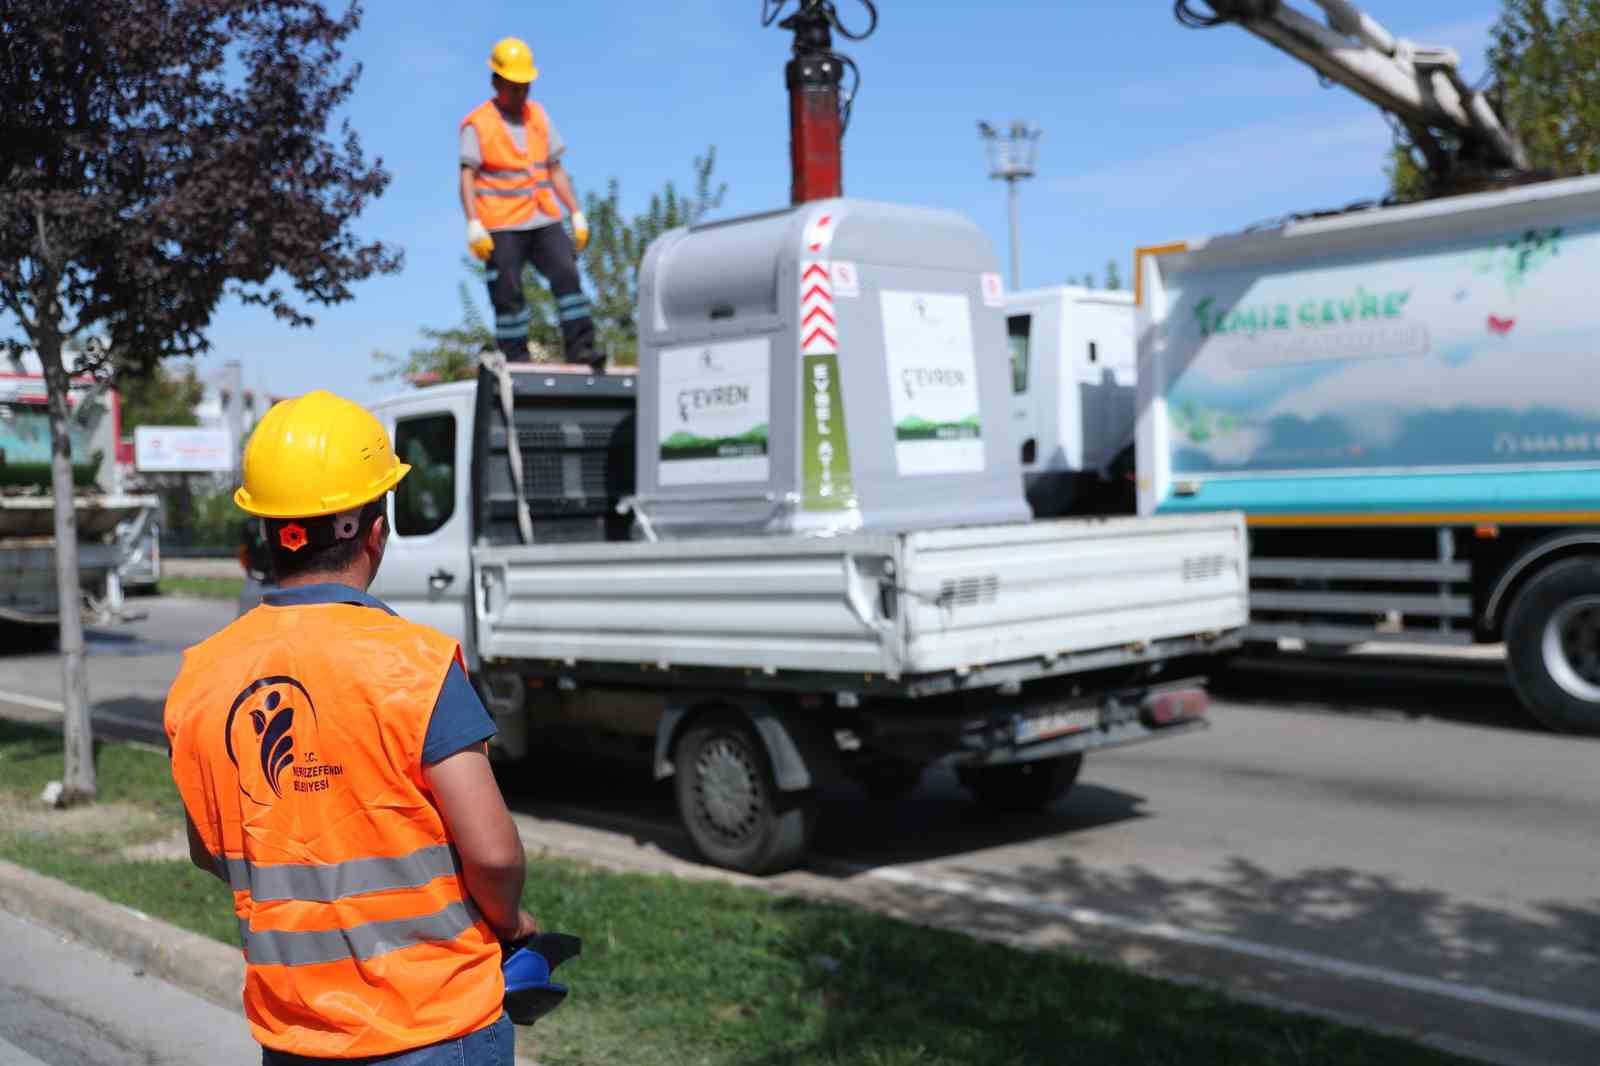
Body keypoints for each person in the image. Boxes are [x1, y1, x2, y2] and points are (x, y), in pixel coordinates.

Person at [163, 390, 538, 1065]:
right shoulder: (417, 664)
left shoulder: (203, 677)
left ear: (269, 536)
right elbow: (494, 854)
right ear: (375, 531)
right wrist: (510, 922)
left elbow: (208, 847)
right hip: (433, 1025)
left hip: (295, 1033)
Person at [461, 36, 599, 370]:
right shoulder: (477, 124)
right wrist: (473, 223)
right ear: (496, 81)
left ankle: (582, 349)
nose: (520, 93)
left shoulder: (538, 116)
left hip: (543, 217)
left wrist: (576, 213)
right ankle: (515, 358)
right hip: (501, 224)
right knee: (507, 292)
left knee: (567, 275)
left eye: (525, 86)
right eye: (513, 86)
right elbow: (466, 177)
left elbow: (555, 170)